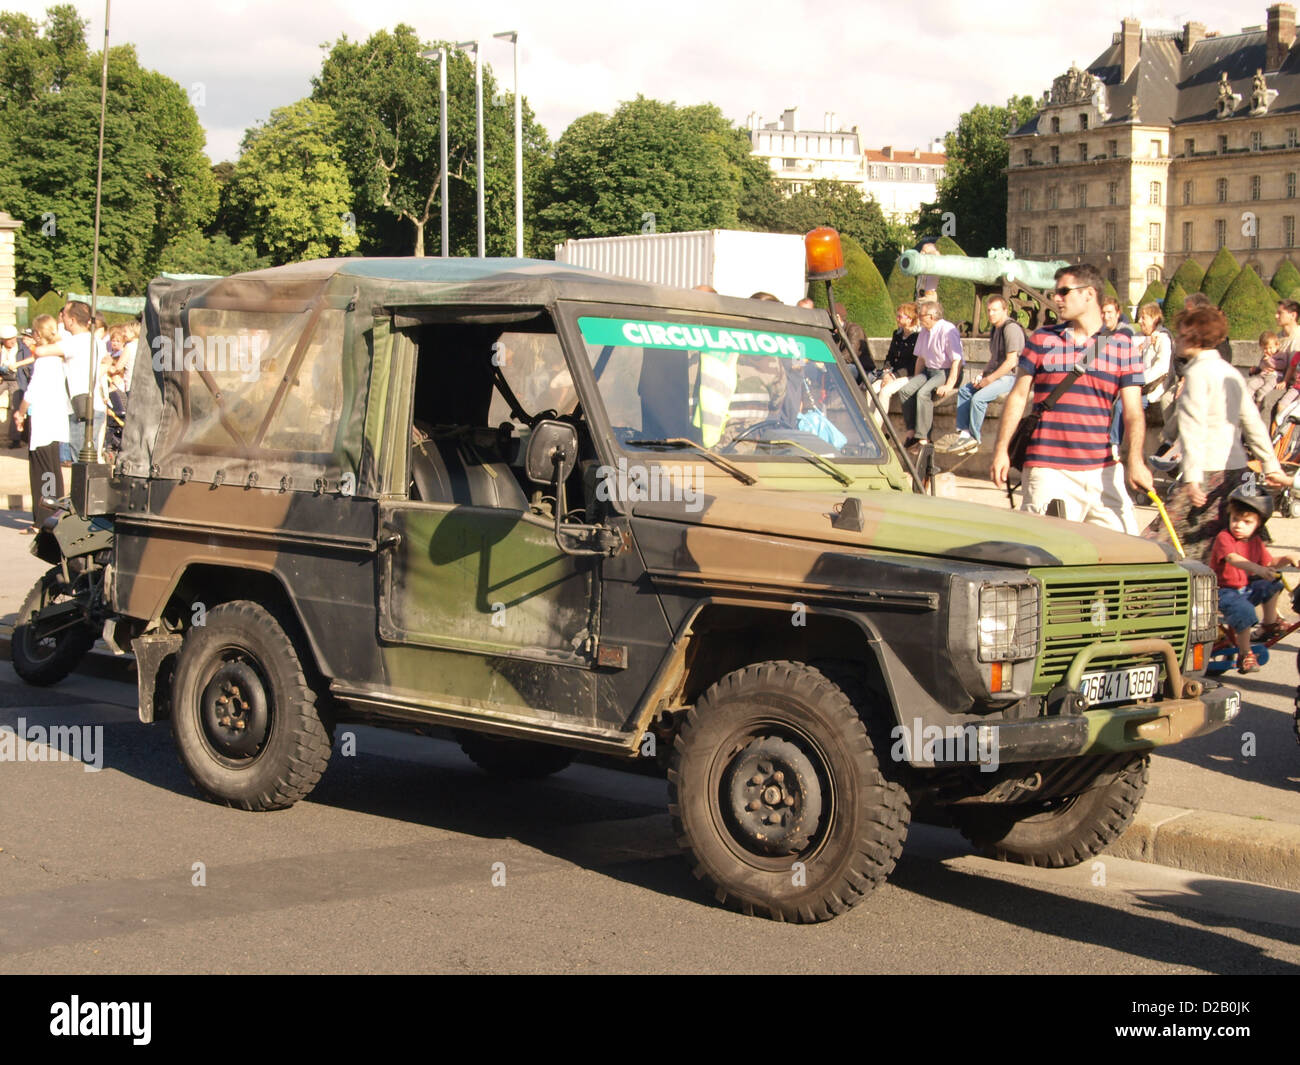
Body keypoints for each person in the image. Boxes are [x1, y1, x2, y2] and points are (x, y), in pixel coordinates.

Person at [990, 262, 1152, 533]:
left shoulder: (1122, 346)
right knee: (1043, 558)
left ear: (1089, 294)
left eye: (1064, 291)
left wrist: (1135, 459)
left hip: (1103, 471)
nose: (1056, 298)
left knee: (1128, 553)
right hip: (1048, 470)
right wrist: (1001, 450)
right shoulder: (1041, 339)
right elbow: (1018, 397)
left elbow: (1134, 412)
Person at [1142, 306, 1290, 561]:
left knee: (1163, 551)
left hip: (1206, 474)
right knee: (1239, 552)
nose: (1176, 340)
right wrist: (1270, 464)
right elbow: (1253, 422)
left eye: (1180, 335)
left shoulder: (1197, 373)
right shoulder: (1230, 372)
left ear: (1194, 336)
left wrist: (1192, 476)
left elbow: (1192, 426)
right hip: (1237, 472)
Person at [1211, 484, 1297, 673]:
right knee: (1244, 610)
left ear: (1258, 524)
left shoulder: (1255, 541)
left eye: (1246, 522)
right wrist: (1257, 568)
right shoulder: (1224, 538)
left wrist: (1288, 559)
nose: (1238, 525)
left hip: (1244, 589)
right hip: (1223, 592)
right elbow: (1233, 558)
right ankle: (1245, 653)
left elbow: (1270, 562)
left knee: (1272, 582)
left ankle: (1268, 624)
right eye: (1235, 519)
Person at [936, 294, 1024, 455]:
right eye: (989, 310)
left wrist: (989, 380)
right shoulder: (995, 329)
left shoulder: (1011, 329)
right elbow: (994, 359)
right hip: (997, 374)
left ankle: (974, 439)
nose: (991, 314)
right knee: (964, 391)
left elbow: (1011, 362)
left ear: (1005, 310)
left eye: (995, 310)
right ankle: (963, 433)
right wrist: (982, 375)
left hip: (1012, 377)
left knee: (978, 399)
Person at [11, 314, 71, 533]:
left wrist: (20, 411)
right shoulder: (55, 357)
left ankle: (45, 518)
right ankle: (50, 515)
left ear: (37, 333)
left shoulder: (46, 359)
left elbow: (33, 389)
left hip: (46, 421)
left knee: (44, 471)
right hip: (53, 419)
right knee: (51, 469)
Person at [30, 301, 93, 461]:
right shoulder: (93, 340)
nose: (61, 318)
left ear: (72, 320)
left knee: (81, 459)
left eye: (63, 314)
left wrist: (51, 338)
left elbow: (40, 350)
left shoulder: (75, 342)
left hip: (81, 402)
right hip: (91, 401)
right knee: (88, 457)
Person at [896, 299, 961, 448]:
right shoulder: (924, 331)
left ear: (931, 316)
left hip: (944, 371)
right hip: (928, 371)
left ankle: (923, 438)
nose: (918, 317)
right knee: (906, 391)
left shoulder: (948, 330)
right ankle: (911, 432)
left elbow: (957, 360)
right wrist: (916, 378)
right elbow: (920, 358)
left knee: (923, 393)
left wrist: (949, 385)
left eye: (921, 315)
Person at [871, 303, 919, 408]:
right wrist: (886, 372)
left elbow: (913, 364)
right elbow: (890, 357)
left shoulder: (918, 337)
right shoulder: (897, 334)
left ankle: (877, 423)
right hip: (892, 374)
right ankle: (867, 420)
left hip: (907, 375)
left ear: (910, 319)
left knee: (885, 392)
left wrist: (893, 376)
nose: (897, 319)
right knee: (871, 390)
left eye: (900, 316)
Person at [1247, 330, 1285, 405]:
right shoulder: (1265, 357)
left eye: (1270, 348)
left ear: (1277, 345)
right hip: (1262, 376)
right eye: (1265, 349)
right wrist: (1255, 370)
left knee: (1263, 390)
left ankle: (1258, 402)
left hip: (1275, 377)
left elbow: (1281, 365)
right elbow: (1262, 367)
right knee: (1250, 384)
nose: (1268, 350)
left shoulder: (1281, 355)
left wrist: (1269, 360)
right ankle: (1247, 403)